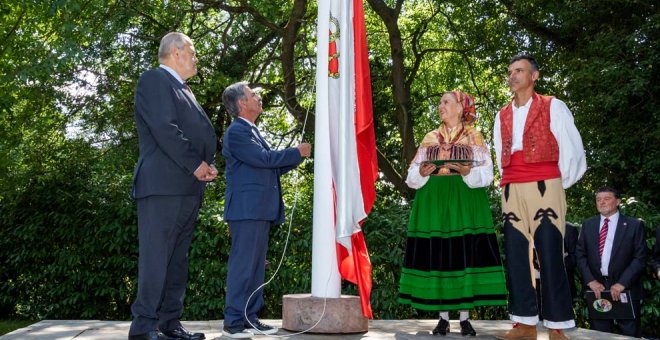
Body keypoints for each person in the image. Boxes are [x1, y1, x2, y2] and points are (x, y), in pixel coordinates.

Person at [129, 32, 217, 340]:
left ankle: (169, 322)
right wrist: (196, 164)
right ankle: (143, 328)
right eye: (192, 51)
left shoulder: (184, 89)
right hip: (163, 186)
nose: (196, 58)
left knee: (177, 259)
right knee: (156, 257)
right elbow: (165, 129)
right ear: (176, 52)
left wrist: (205, 165)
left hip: (187, 187)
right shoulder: (155, 80)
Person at [493, 54, 587, 340]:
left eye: (519, 71)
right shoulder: (502, 114)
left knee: (550, 253)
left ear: (534, 76)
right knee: (517, 254)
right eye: (510, 72)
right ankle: (525, 323)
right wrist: (508, 181)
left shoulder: (553, 106)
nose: (512, 76)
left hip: (546, 183)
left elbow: (572, 148)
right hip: (512, 185)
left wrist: (556, 181)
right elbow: (501, 154)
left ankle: (557, 325)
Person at [399, 91, 507, 337]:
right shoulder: (430, 138)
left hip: (464, 199)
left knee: (464, 252)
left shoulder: (474, 136)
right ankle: (443, 318)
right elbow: (411, 177)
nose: (441, 106)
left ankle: (465, 319)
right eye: (439, 102)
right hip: (433, 200)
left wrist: (468, 172)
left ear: (461, 107)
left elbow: (488, 175)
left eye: (446, 102)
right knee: (439, 254)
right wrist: (423, 173)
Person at [220, 82, 311, 338]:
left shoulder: (252, 131)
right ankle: (233, 323)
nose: (258, 97)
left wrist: (296, 156)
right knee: (243, 265)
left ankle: (250, 318)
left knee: (256, 266)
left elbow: (271, 166)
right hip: (246, 210)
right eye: (252, 94)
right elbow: (265, 160)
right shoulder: (237, 132)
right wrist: (296, 151)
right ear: (242, 104)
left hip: (258, 210)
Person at [575, 186, 646, 337]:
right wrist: (590, 281)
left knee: (629, 333)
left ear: (618, 201)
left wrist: (622, 283)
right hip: (597, 289)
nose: (602, 202)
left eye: (607, 199)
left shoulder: (634, 225)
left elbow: (640, 258)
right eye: (598, 199)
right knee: (599, 334)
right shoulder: (588, 225)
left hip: (625, 288)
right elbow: (580, 255)